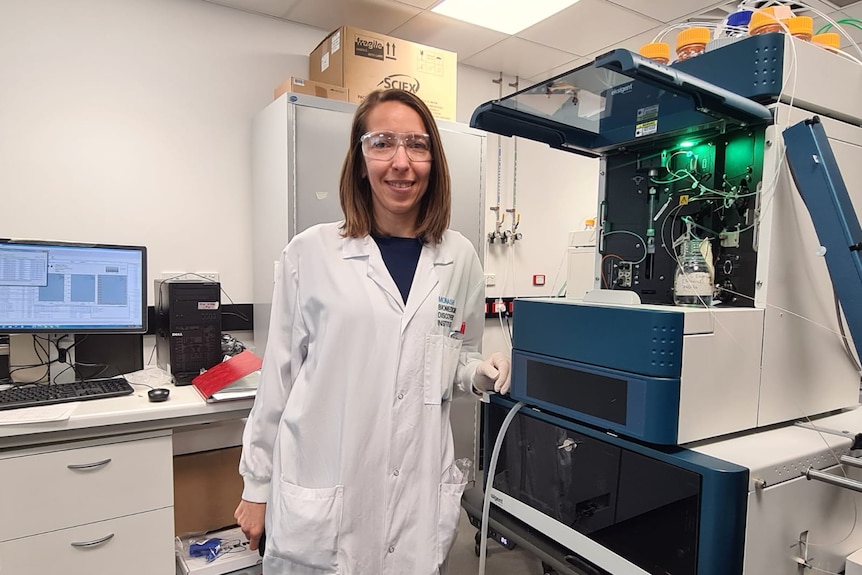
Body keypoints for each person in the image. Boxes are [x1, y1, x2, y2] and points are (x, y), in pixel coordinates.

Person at [235, 87, 511, 575]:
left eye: (417, 145)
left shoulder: (460, 257)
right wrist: (256, 486)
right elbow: (278, 380)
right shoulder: (310, 253)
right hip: (327, 490)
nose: (400, 162)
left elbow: (453, 358)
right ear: (361, 159)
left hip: (417, 501)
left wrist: (480, 372)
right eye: (382, 142)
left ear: (434, 162)